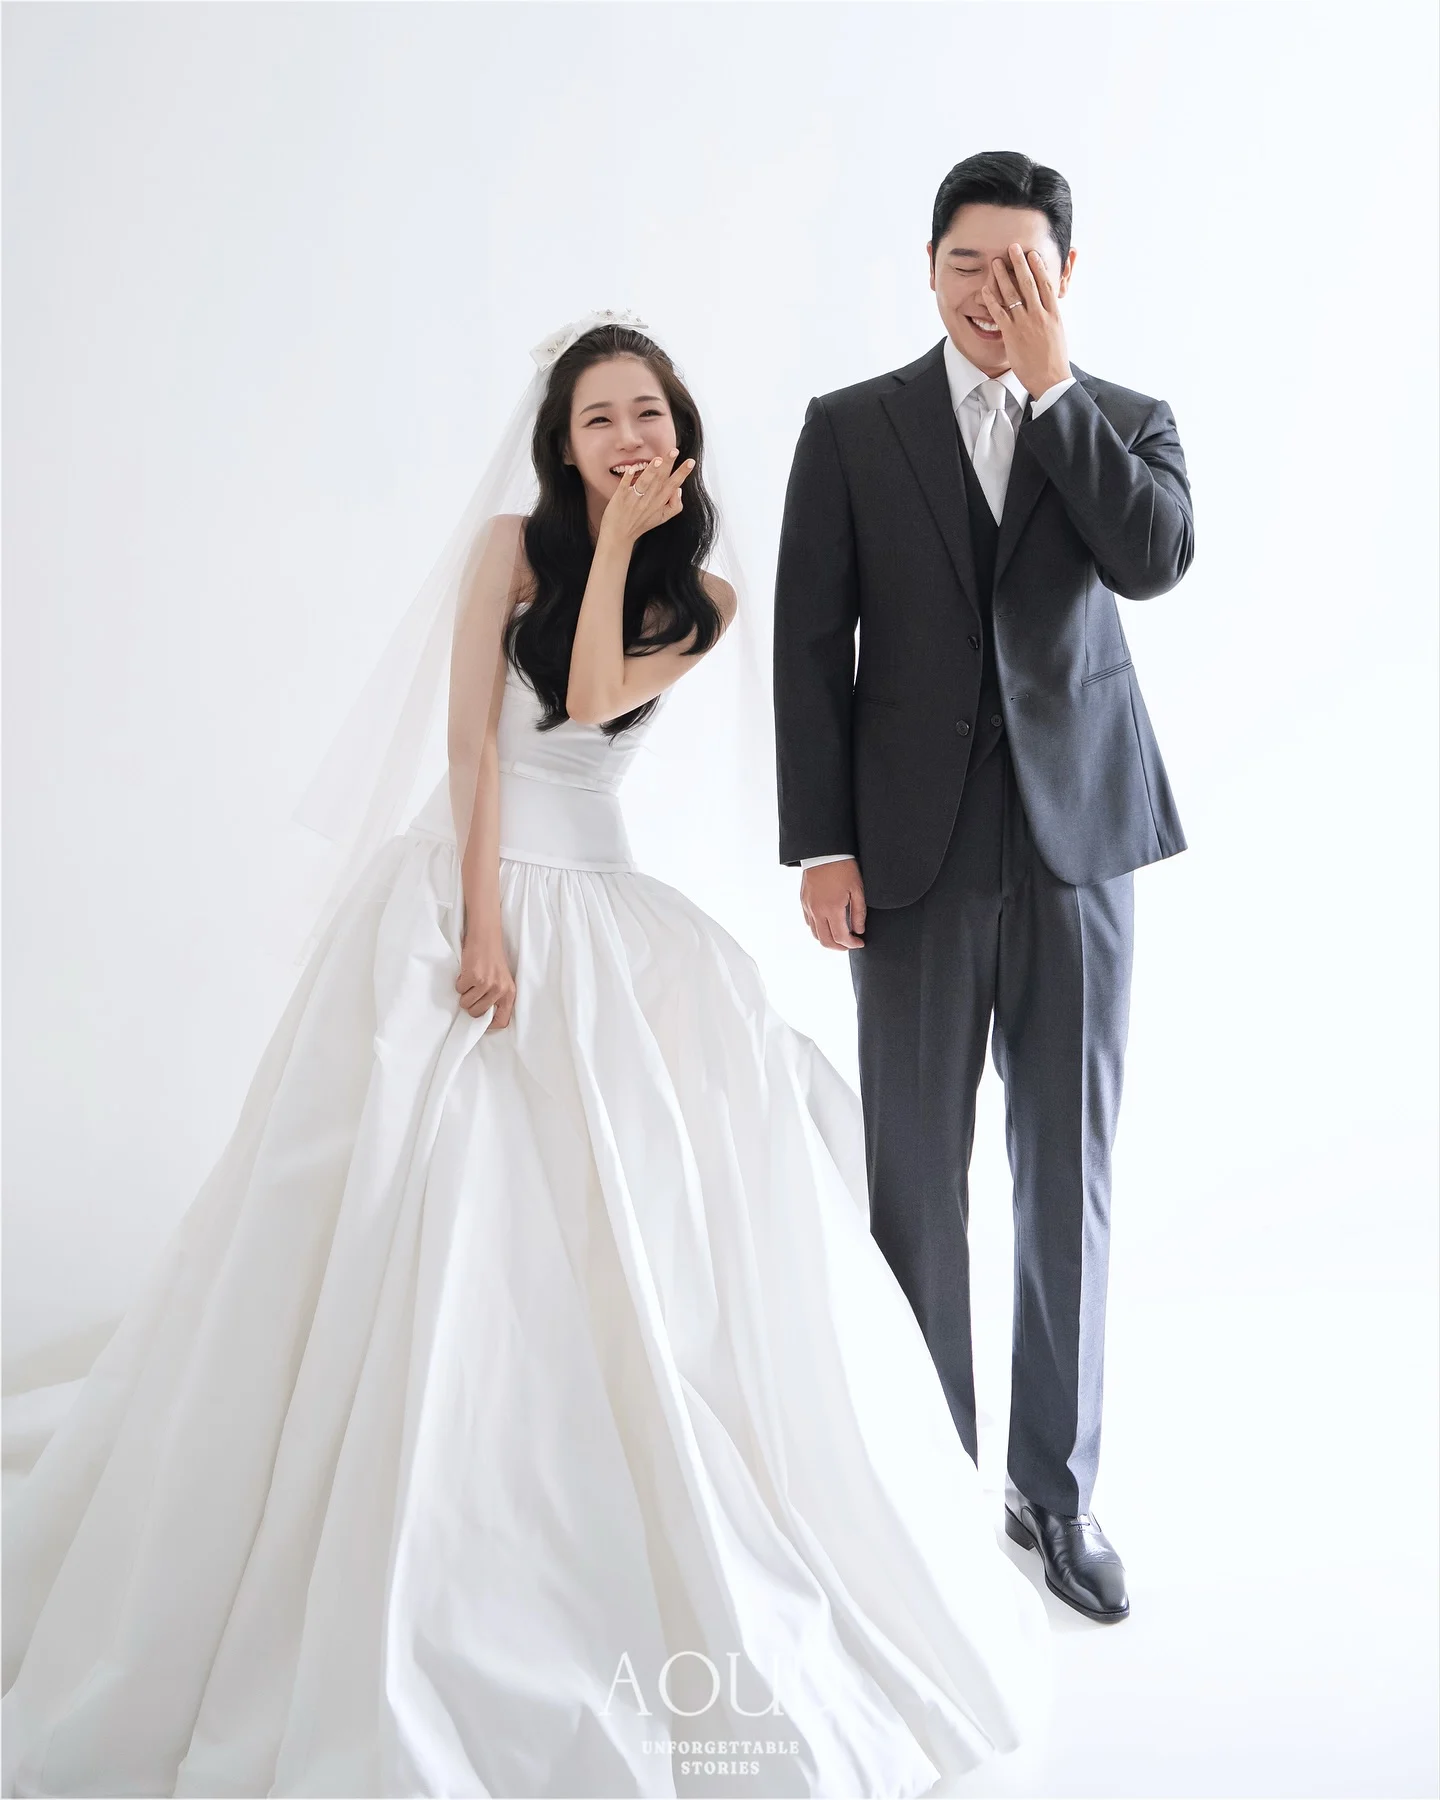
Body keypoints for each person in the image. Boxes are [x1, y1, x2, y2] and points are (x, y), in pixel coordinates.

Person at [2, 313, 1053, 1799]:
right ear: (561, 444)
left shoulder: (705, 595)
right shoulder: (505, 548)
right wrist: (479, 918)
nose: (626, 438)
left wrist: (623, 545)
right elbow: (475, 747)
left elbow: (592, 693)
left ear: (680, 435)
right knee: (405, 1193)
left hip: (607, 903)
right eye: (597, 419)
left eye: (647, 414)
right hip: (472, 884)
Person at [773, 153, 1196, 1625]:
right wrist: (822, 844)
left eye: (1020, 269)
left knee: (1064, 1179)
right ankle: (922, 1482)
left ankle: (1052, 1494)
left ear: (1062, 278)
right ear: (929, 265)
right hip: (911, 857)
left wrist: (1053, 386)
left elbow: (1153, 560)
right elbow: (810, 646)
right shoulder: (850, 427)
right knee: (915, 1179)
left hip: (1080, 849)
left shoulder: (1126, 421)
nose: (991, 292)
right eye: (969, 264)